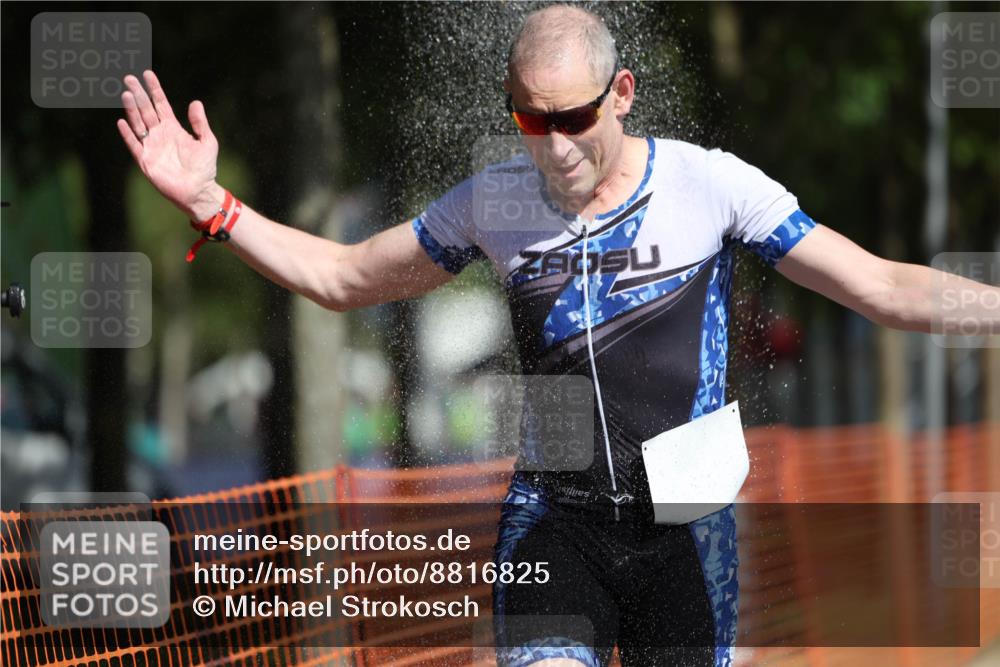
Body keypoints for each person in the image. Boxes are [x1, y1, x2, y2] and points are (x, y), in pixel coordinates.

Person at [116, 6, 998, 666]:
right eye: (531, 121)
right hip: (555, 522)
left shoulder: (709, 185)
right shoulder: (495, 202)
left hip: (688, 525)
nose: (557, 147)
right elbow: (345, 278)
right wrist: (214, 205)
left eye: (574, 119)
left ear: (622, 95)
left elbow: (881, 286)